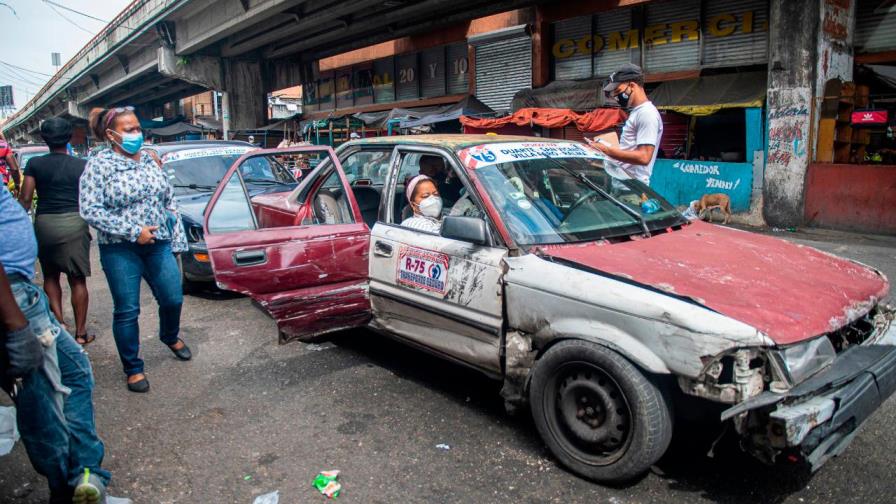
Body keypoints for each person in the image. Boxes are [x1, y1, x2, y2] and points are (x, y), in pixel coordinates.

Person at [0, 186, 119, 504]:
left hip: (22, 294)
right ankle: (64, 487)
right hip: (13, 300)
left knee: (74, 371)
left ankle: (84, 472)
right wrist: (14, 323)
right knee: (42, 405)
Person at [79, 106, 191, 393]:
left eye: (138, 128)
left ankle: (169, 335)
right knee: (127, 310)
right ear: (111, 135)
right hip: (120, 250)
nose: (136, 134)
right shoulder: (98, 165)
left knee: (173, 298)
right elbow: (89, 210)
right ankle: (133, 368)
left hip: (158, 244)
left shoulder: (151, 160)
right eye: (129, 130)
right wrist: (133, 231)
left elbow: (169, 200)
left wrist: (176, 239)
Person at [18, 118, 95, 345]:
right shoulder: (82, 165)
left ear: (44, 139)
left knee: (50, 276)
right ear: (69, 137)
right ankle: (81, 334)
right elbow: (89, 198)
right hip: (74, 221)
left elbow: (25, 198)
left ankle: (59, 325)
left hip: (46, 223)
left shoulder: (35, 165)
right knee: (77, 279)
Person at [588, 63, 663, 185]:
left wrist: (606, 150)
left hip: (632, 190)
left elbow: (644, 157)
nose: (615, 97)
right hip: (624, 187)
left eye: (617, 91)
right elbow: (627, 156)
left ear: (632, 85)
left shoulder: (646, 113)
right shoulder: (637, 112)